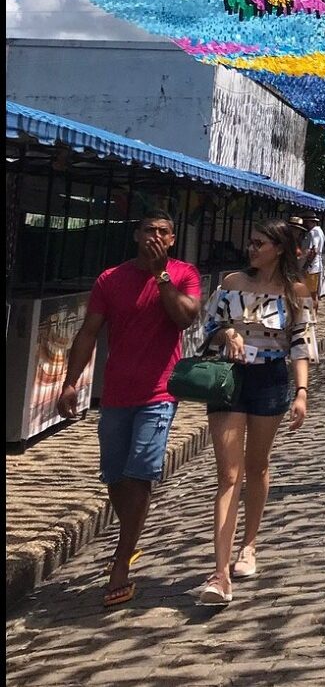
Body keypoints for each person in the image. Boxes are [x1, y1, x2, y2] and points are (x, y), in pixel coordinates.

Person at [56, 212, 201, 608]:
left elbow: (185, 318)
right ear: (136, 235)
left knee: (139, 475)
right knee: (116, 477)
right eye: (149, 230)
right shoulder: (110, 279)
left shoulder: (183, 274)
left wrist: (161, 276)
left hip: (159, 394)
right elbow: (89, 332)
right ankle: (130, 536)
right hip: (117, 393)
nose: (155, 236)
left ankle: (121, 560)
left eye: (163, 232)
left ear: (172, 239)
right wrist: (71, 382)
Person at [199, 220, 311, 604]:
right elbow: (208, 325)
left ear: (278, 248)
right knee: (228, 474)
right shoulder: (232, 283)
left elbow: (300, 345)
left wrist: (301, 392)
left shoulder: (295, 293)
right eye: (251, 242)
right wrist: (225, 333)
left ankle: (249, 544)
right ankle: (219, 573)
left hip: (270, 380)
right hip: (229, 379)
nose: (252, 248)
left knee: (256, 466)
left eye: (259, 243)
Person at [302, 213, 325, 312]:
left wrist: (306, 266)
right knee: (314, 293)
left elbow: (314, 250)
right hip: (316, 265)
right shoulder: (320, 231)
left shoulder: (313, 233)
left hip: (312, 267)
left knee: (311, 293)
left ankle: (312, 314)